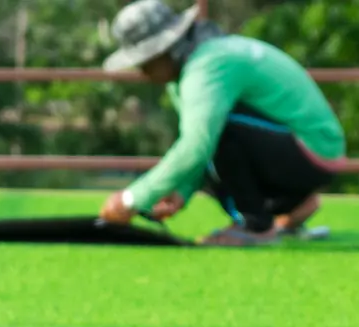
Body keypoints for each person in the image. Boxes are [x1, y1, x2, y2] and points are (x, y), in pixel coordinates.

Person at [97, 1, 345, 246]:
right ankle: (295, 204)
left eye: (146, 61)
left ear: (167, 49)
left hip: (310, 151)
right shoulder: (202, 60)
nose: (142, 71)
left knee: (220, 132)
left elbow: (198, 145)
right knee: (211, 135)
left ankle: (255, 225)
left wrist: (131, 199)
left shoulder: (207, 68)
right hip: (312, 152)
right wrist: (181, 191)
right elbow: (199, 145)